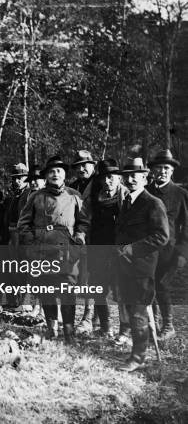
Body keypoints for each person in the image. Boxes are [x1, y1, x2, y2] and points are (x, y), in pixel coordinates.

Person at [18, 156, 89, 343]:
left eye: (59, 170)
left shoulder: (74, 196)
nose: (55, 174)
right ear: (46, 176)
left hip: (67, 251)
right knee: (46, 290)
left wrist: (79, 239)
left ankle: (69, 332)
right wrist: (33, 243)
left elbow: (83, 222)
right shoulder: (36, 197)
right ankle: (52, 328)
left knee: (68, 292)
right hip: (42, 252)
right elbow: (23, 224)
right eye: (51, 171)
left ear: (65, 173)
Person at [115, 157, 169, 371]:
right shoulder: (127, 202)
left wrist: (133, 249)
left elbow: (161, 236)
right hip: (125, 266)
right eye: (126, 176)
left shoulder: (153, 203)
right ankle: (137, 351)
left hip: (142, 267)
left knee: (138, 312)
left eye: (134, 175)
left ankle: (138, 358)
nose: (130, 179)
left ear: (145, 178)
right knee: (131, 309)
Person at [82, 159, 128, 338]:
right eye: (103, 178)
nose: (107, 181)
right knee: (98, 288)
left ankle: (124, 330)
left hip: (119, 249)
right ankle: (105, 326)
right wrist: (81, 234)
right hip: (98, 248)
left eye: (111, 177)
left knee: (121, 290)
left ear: (118, 178)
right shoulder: (94, 198)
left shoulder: (126, 197)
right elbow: (84, 219)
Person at [146, 149, 188, 341]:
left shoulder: (180, 194)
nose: (162, 171)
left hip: (170, 250)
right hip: (148, 248)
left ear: (171, 171)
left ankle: (168, 325)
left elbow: (186, 226)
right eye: (158, 168)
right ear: (152, 170)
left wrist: (182, 253)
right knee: (149, 285)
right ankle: (152, 325)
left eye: (166, 168)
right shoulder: (146, 192)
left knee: (162, 285)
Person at [69, 150, 97, 334]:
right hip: (75, 238)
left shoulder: (100, 185)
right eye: (78, 166)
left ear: (93, 165)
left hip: (95, 237)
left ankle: (88, 317)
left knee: (90, 279)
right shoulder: (72, 187)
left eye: (85, 164)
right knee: (73, 277)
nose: (81, 168)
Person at [1, 163, 29, 309]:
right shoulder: (13, 196)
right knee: (12, 268)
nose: (17, 181)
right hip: (11, 235)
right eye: (15, 178)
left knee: (23, 268)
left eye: (21, 178)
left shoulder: (29, 194)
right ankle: (13, 301)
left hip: (23, 235)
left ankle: (23, 302)